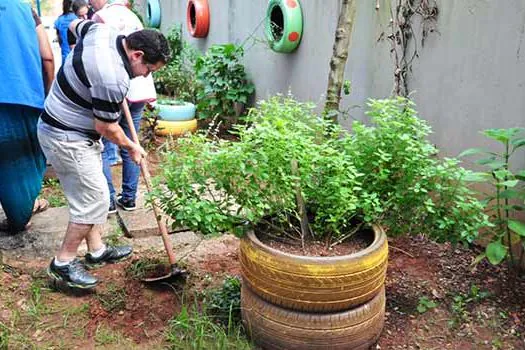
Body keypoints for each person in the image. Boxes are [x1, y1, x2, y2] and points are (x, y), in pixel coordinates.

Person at [37, 19, 170, 289]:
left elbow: (75, 25)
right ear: (137, 55)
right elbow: (107, 127)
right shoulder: (113, 79)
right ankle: (62, 263)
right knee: (96, 199)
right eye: (147, 69)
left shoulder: (103, 30)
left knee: (92, 191)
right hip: (67, 136)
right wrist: (132, 147)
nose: (145, 76)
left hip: (73, 129)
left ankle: (96, 250)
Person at [91, 0, 158, 213]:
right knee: (132, 142)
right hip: (137, 90)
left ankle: (109, 199)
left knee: (102, 143)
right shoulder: (134, 18)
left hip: (113, 88)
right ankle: (129, 197)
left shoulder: (101, 17)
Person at [0, 0, 54, 233]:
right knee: (21, 165)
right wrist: (48, 96)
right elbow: (47, 57)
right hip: (22, 97)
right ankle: (20, 214)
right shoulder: (25, 11)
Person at [54, 0, 78, 67]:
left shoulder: (60, 19)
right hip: (78, 54)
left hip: (66, 55)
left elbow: (59, 39)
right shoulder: (78, 17)